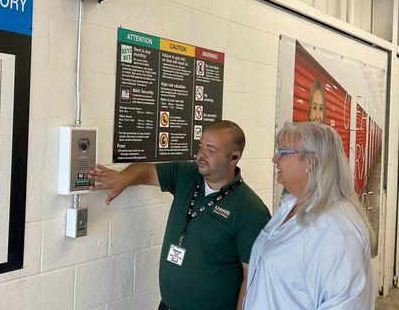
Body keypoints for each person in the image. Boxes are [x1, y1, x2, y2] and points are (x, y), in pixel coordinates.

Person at [89, 120, 271, 310]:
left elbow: (252, 278)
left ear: (234, 157)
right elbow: (147, 171)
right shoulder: (187, 174)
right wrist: (124, 178)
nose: (201, 155)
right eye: (200, 146)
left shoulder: (250, 210)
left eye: (211, 150)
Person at [244, 122, 374, 310]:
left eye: (283, 152)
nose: (274, 159)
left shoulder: (335, 229)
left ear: (311, 161)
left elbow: (345, 304)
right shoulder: (290, 205)